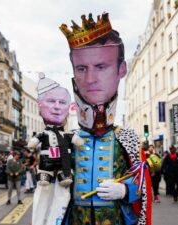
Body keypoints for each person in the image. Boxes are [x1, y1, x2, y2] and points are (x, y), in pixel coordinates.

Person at [59, 13, 152, 225]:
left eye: (101, 67)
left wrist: (125, 190)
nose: (90, 79)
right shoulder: (67, 139)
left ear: (121, 70)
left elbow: (143, 184)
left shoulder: (127, 137)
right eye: (82, 68)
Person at [29, 74, 84, 225]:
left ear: (68, 108)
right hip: (46, 166)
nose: (57, 106)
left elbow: (78, 142)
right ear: (40, 105)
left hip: (63, 169)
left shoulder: (69, 134)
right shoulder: (44, 133)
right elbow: (33, 142)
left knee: (62, 195)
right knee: (43, 193)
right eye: (51, 101)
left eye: (62, 102)